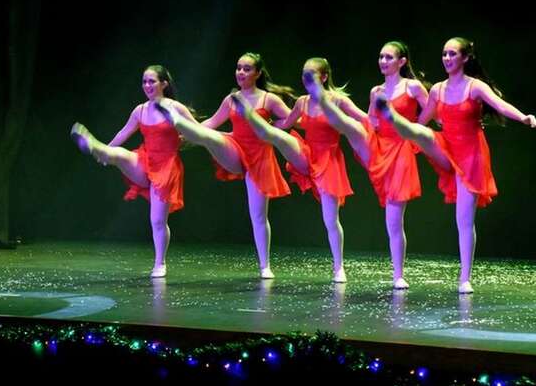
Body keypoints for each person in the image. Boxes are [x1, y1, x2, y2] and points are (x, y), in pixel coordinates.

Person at [374, 37, 536, 294]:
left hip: (471, 156)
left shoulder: (475, 87)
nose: (447, 58)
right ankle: (393, 118)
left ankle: (464, 278)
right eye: (444, 54)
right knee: (421, 133)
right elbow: (423, 119)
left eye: (452, 54)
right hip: (445, 148)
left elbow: (499, 105)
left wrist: (523, 117)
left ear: (465, 58)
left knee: (464, 220)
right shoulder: (437, 90)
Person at [155, 52, 293, 279]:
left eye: (247, 69)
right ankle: (179, 123)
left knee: (258, 216)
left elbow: (290, 120)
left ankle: (265, 266)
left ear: (258, 73)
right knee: (211, 137)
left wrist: (284, 124)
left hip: (260, 158)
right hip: (235, 149)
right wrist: (187, 136)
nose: (241, 72)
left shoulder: (269, 99)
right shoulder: (232, 99)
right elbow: (212, 122)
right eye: (238, 68)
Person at [305, 41, 429, 289]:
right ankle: (326, 104)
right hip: (377, 144)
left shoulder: (412, 87)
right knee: (351, 127)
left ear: (402, 61)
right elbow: (370, 120)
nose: (383, 61)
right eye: (381, 57)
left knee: (393, 221)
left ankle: (398, 275)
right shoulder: (376, 91)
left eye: (389, 57)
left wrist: (415, 131)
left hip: (400, 150)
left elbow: (430, 112)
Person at [229, 57, 357, 283]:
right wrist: (263, 126)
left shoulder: (338, 100)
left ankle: (339, 267)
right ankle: (252, 118)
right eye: (304, 75)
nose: (305, 79)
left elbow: (361, 120)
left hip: (329, 162)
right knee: (280, 137)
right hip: (306, 155)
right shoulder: (302, 102)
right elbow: (285, 123)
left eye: (311, 75)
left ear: (324, 77)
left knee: (330, 219)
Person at [70, 64, 192, 278]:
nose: (147, 85)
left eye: (152, 81)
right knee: (119, 153)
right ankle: (97, 148)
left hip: (166, 167)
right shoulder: (140, 110)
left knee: (157, 221)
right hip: (145, 160)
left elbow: (197, 130)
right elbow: (123, 132)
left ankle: (160, 263)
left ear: (164, 83)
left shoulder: (176, 108)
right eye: (144, 81)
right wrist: (107, 149)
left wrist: (190, 138)